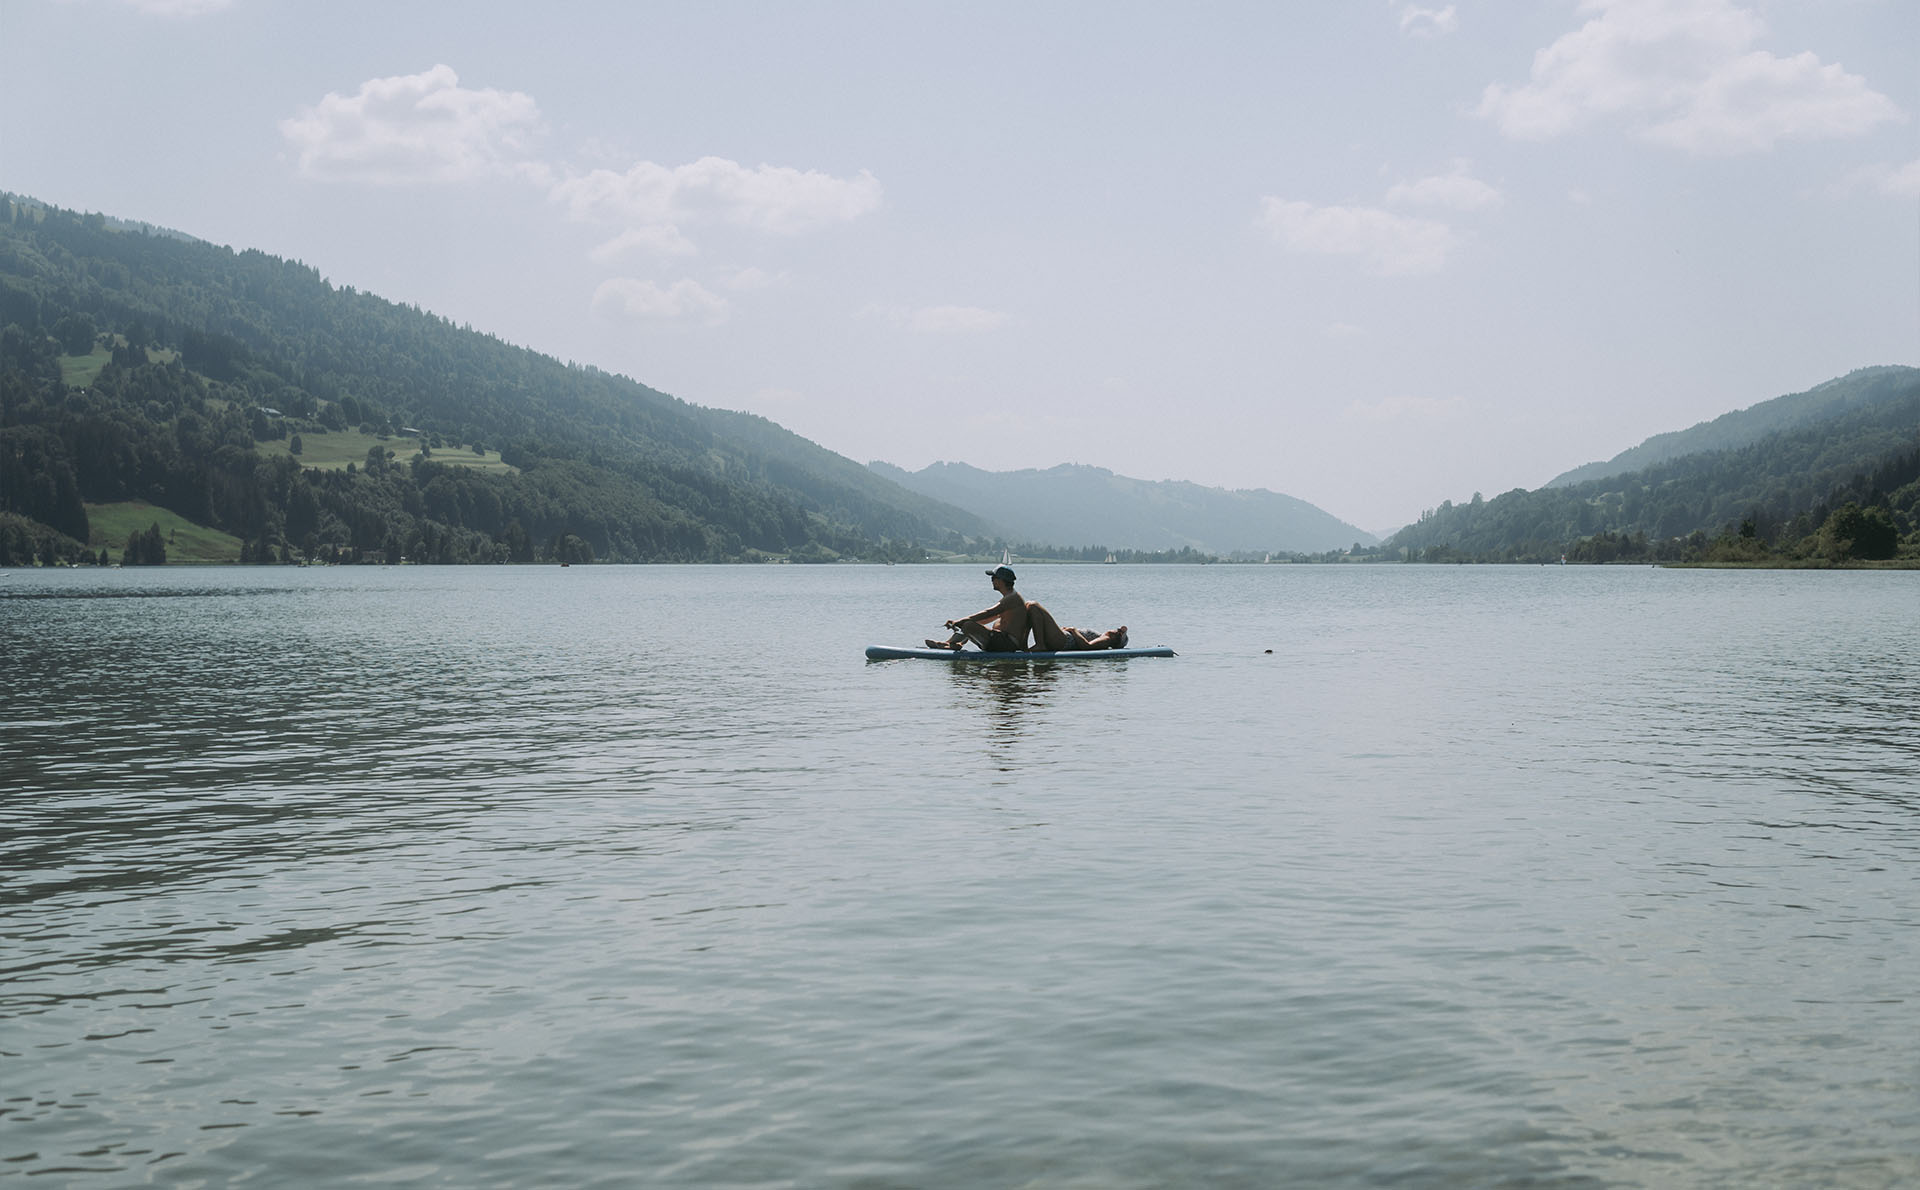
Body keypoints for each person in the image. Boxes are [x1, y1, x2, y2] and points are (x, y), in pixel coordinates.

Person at [930, 566, 1129, 652]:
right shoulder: (1009, 600)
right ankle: (951, 645)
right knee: (970, 624)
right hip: (1006, 640)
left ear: (1001, 581)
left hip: (1013, 643)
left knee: (969, 623)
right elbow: (983, 619)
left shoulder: (1012, 599)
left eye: (993, 577)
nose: (991, 580)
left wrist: (959, 621)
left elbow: (986, 614)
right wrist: (960, 625)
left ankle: (953, 645)